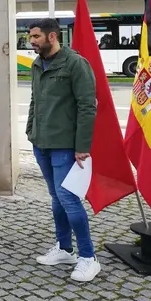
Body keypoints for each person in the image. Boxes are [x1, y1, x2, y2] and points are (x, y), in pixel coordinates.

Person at [26, 18, 101, 282]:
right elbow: (35, 100)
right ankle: (65, 248)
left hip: (65, 146)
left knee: (68, 199)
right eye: (30, 36)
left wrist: (82, 147)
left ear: (52, 37)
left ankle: (88, 258)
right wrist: (30, 131)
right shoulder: (37, 64)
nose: (32, 41)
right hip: (41, 143)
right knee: (57, 199)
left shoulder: (75, 64)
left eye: (36, 36)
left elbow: (87, 106)